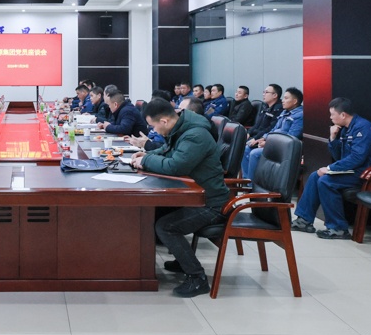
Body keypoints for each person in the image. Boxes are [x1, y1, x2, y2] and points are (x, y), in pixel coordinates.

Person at [130, 98, 230, 297]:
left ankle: (197, 278)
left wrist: (147, 160)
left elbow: (175, 166)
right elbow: (168, 151)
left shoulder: (195, 135)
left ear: (164, 121)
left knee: (166, 226)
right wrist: (145, 155)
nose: (154, 131)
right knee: (153, 214)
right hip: (194, 195)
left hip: (211, 203)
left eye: (154, 126)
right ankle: (182, 259)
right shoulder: (182, 128)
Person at [292, 97, 371, 240]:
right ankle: (304, 220)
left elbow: (357, 158)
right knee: (315, 176)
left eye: (332, 114)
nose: (330, 117)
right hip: (355, 170)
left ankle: (338, 228)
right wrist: (333, 138)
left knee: (326, 181)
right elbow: (339, 156)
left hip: (369, 173)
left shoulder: (363, 128)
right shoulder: (345, 128)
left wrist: (330, 168)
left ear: (343, 115)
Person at [240, 87, 304, 179]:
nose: (283, 100)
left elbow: (291, 138)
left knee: (254, 154)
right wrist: (263, 138)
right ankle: (246, 180)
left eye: (286, 98)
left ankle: (252, 184)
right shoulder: (284, 112)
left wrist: (268, 143)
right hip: (273, 142)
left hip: (284, 148)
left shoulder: (300, 115)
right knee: (246, 148)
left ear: (294, 101)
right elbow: (274, 129)